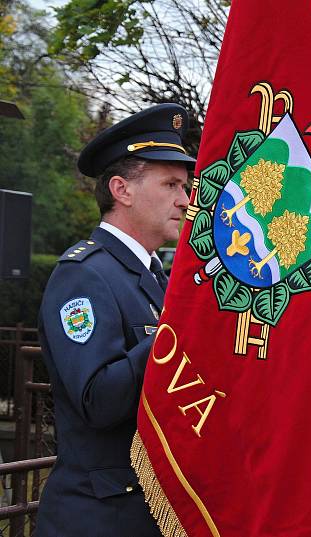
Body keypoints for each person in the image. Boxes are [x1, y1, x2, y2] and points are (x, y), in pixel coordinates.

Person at [37, 104, 195, 536]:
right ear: (122, 189)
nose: (185, 199)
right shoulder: (83, 274)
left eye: (184, 186)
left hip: (145, 510)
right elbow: (98, 402)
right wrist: (174, 332)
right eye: (171, 184)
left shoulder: (153, 276)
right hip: (101, 516)